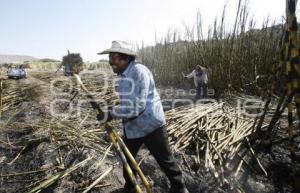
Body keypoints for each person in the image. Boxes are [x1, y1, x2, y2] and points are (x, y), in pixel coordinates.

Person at [97, 40, 189, 193]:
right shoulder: (122, 77)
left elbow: (137, 106)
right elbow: (127, 102)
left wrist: (111, 114)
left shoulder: (139, 72)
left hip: (151, 125)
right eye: (110, 57)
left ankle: (179, 188)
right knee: (127, 158)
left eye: (114, 57)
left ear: (125, 58)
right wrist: (110, 111)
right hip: (133, 127)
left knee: (165, 160)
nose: (110, 62)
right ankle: (131, 186)